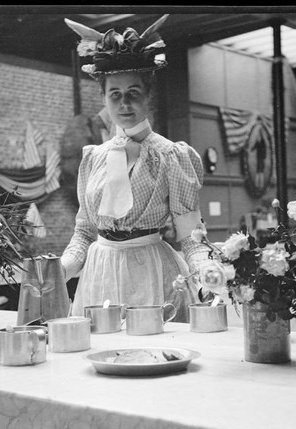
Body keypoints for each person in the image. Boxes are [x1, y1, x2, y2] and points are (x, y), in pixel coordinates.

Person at [61, 14, 209, 322]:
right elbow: (85, 232)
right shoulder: (92, 158)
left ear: (149, 96)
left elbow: (189, 237)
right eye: (115, 94)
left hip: (152, 274)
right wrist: (61, 269)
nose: (124, 103)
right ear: (103, 98)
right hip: (98, 277)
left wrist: (208, 271)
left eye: (133, 93)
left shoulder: (171, 156)